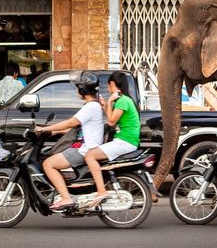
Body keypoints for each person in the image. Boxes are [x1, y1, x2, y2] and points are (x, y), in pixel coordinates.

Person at [34, 72, 106, 211]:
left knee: (48, 164)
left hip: (85, 150)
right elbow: (76, 129)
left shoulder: (91, 107)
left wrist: (44, 129)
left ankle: (66, 197)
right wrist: (52, 131)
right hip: (84, 146)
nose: (76, 91)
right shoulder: (93, 106)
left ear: (82, 90)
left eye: (77, 88)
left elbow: (70, 123)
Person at [79, 71, 143, 209]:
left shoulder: (123, 101)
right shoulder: (122, 100)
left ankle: (101, 191)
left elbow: (111, 121)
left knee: (90, 156)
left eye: (108, 85)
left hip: (125, 141)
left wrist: (108, 101)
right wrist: (105, 104)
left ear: (112, 84)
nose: (107, 88)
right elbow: (110, 116)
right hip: (124, 140)